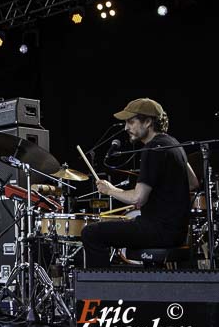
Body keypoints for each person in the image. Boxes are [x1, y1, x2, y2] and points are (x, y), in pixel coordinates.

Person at [81, 98, 199, 268]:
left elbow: (138, 198)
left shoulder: (152, 149)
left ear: (148, 122)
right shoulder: (173, 143)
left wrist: (110, 190)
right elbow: (193, 182)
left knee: (91, 233)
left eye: (131, 122)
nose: (126, 127)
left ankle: (102, 293)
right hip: (177, 231)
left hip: (158, 230)